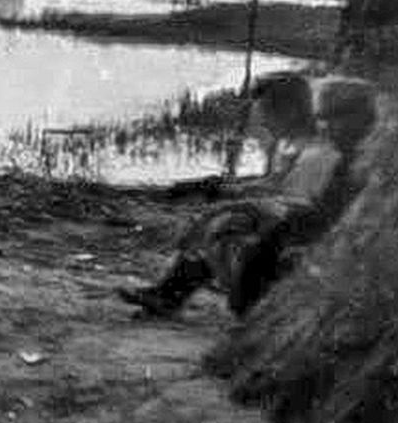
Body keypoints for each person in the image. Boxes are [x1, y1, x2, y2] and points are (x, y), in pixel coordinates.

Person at [117, 74, 378, 319]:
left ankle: (187, 297)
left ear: (290, 111)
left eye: (267, 113)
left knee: (226, 227)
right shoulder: (292, 145)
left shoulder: (319, 155)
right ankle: (170, 294)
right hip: (285, 219)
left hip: (297, 228)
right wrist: (224, 190)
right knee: (222, 225)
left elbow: (295, 201)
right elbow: (276, 184)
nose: (262, 121)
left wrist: (232, 203)